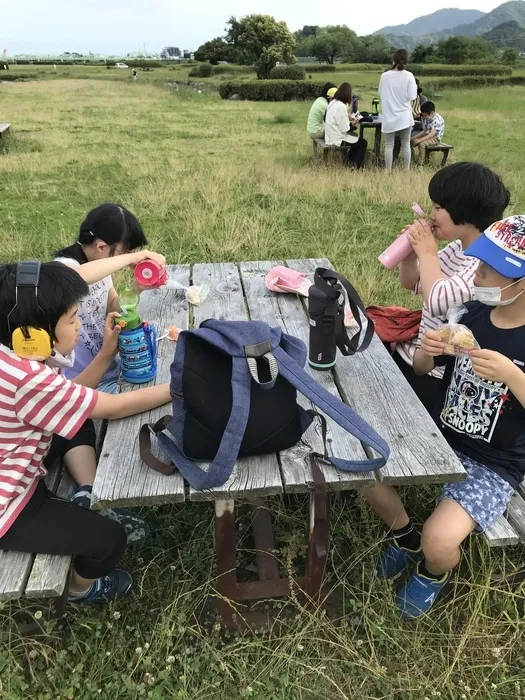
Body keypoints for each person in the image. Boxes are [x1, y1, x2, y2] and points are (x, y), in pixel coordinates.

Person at [364, 214, 525, 619]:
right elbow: (420, 368)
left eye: (487, 272)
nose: (477, 275)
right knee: (361, 470)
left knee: (440, 542)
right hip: (441, 433)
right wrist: (429, 350)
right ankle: (403, 534)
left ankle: (433, 571)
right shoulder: (467, 313)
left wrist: (510, 374)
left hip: (494, 461)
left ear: (519, 284)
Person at [0, 262, 172, 602]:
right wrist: (178, 388)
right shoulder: (29, 380)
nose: (79, 326)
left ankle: (88, 491)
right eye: (72, 319)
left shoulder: (13, 356)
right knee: (109, 540)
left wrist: (107, 352)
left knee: (78, 417)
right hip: (11, 502)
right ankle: (81, 589)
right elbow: (113, 406)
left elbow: (72, 398)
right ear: (31, 332)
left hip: (18, 452)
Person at [392, 162, 510, 414]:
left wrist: (427, 252)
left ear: (463, 211)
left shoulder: (485, 264)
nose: (431, 214)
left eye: (438, 207)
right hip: (417, 355)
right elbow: (412, 283)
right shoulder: (458, 248)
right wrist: (412, 256)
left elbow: (437, 301)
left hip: (438, 372)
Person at [54, 203, 165, 395]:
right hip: (82, 381)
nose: (129, 258)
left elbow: (112, 307)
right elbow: (77, 277)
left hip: (110, 366)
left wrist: (136, 289)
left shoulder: (99, 264)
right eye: (126, 252)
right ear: (101, 246)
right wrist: (136, 257)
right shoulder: (63, 269)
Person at [378, 49, 418, 172]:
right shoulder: (409, 76)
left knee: (389, 145)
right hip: (405, 115)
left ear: (393, 60)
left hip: (389, 115)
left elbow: (380, 92)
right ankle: (406, 171)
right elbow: (412, 96)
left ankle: (387, 171)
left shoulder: (385, 76)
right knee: (405, 144)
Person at [324, 83, 368, 170]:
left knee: (356, 141)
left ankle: (349, 162)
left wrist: (347, 118)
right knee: (362, 143)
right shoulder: (341, 106)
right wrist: (355, 125)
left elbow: (338, 119)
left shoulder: (333, 102)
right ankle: (355, 166)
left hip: (329, 135)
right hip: (337, 138)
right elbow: (345, 129)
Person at [411, 101, 445, 166]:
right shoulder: (424, 117)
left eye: (425, 116)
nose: (424, 117)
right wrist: (414, 138)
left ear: (432, 113)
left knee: (422, 144)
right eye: (423, 115)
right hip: (427, 134)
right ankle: (412, 159)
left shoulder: (437, 120)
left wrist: (419, 140)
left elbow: (432, 134)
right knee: (411, 141)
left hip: (435, 138)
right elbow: (424, 130)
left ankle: (420, 164)